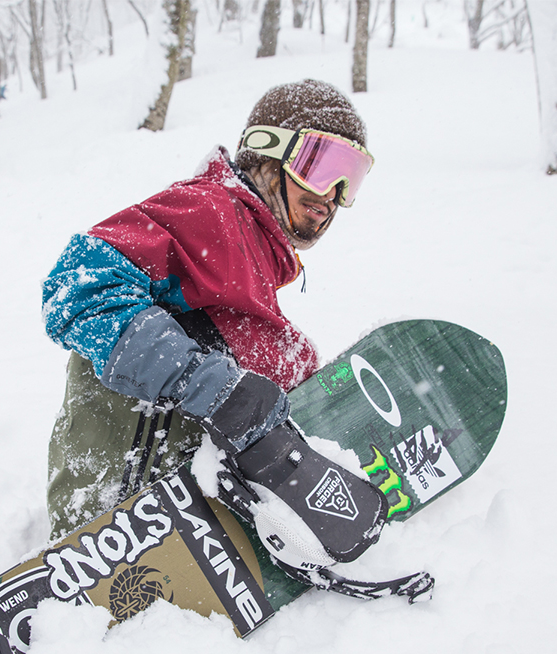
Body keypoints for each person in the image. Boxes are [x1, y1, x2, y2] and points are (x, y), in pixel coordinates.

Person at [41, 79, 385, 579]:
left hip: (158, 530)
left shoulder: (252, 257)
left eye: (350, 178)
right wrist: (207, 386)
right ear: (268, 157)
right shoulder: (213, 213)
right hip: (110, 525)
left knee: (287, 363)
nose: (333, 195)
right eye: (323, 166)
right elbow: (77, 285)